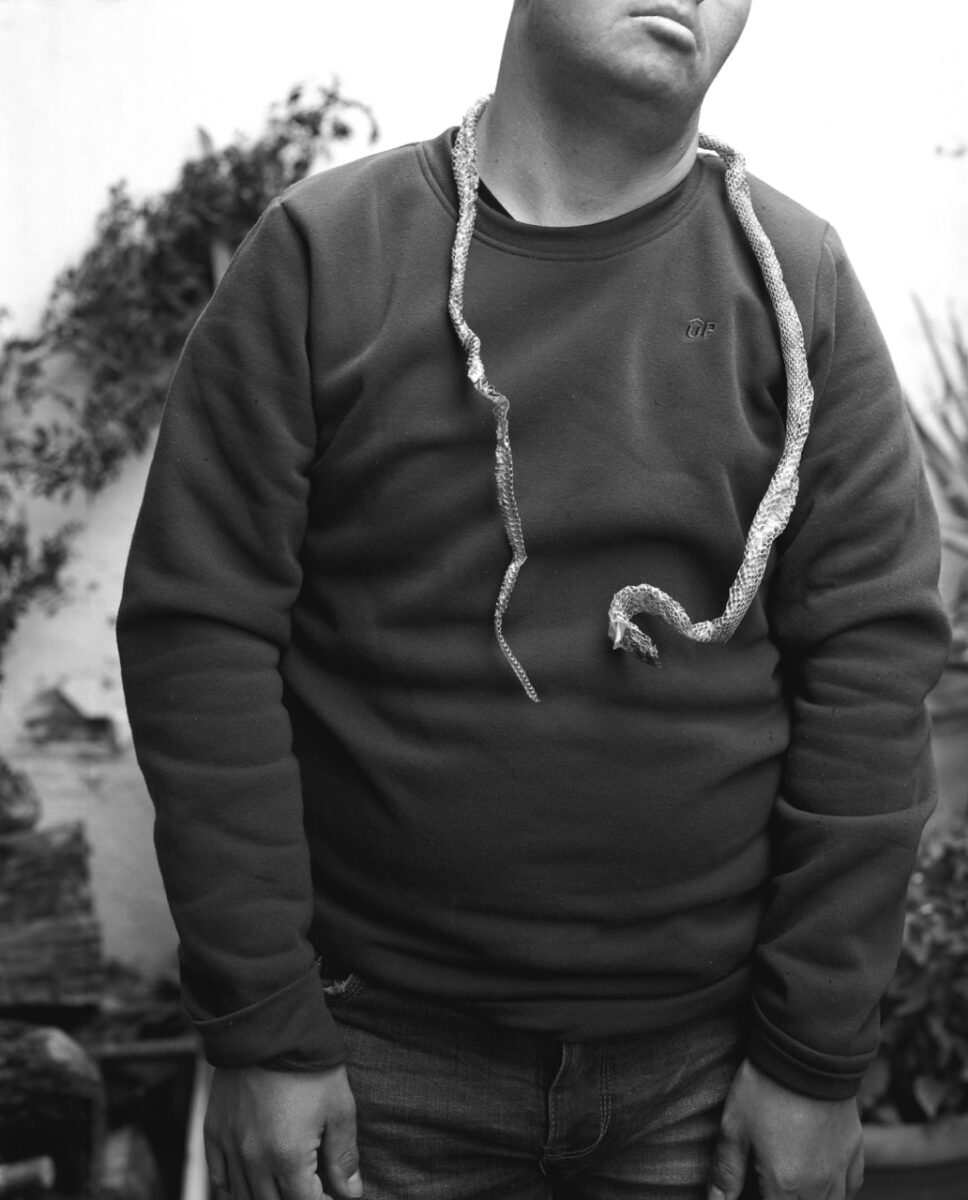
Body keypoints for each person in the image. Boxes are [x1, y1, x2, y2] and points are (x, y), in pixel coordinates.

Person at [116, 2, 952, 1199]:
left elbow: (870, 670)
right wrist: (263, 1030)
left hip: (705, 1080)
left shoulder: (798, 286)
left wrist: (814, 1060)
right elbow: (201, 637)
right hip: (376, 1067)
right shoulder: (323, 256)